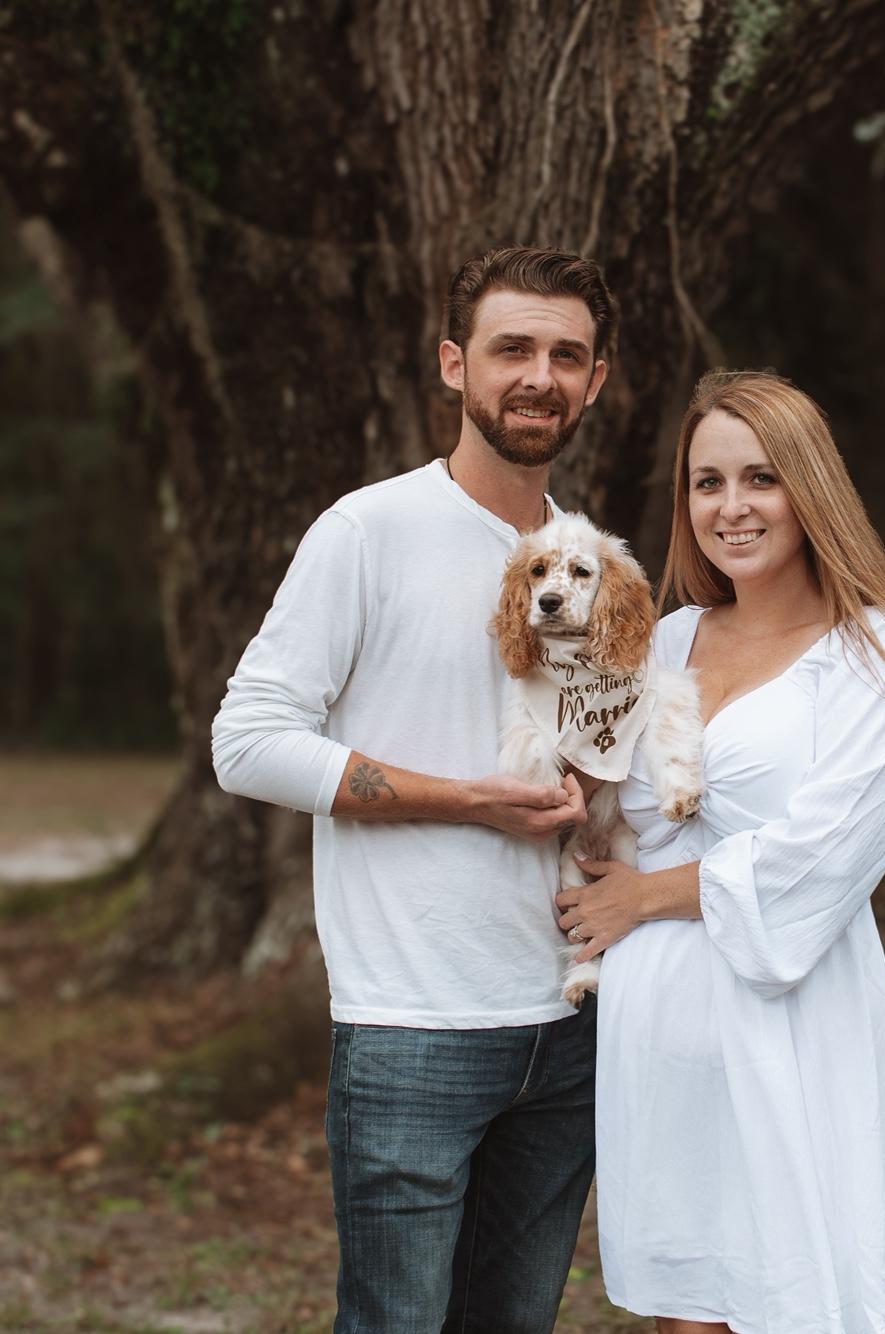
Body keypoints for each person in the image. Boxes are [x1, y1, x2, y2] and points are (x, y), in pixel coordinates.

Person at [211, 245, 618, 1333]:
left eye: (565, 355)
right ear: (453, 364)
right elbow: (246, 742)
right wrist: (468, 799)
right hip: (412, 1026)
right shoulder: (368, 531)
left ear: (595, 381)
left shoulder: (582, 560)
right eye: (512, 348)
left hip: (568, 1023)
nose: (538, 376)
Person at [556, 370, 885, 1334]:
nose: (732, 507)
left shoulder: (876, 655)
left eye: (760, 478)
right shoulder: (664, 640)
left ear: (811, 489)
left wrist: (640, 899)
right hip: (656, 1023)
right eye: (708, 482)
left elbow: (823, 858)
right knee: (686, 1310)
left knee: (790, 1298)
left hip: (790, 1019)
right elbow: (587, 786)